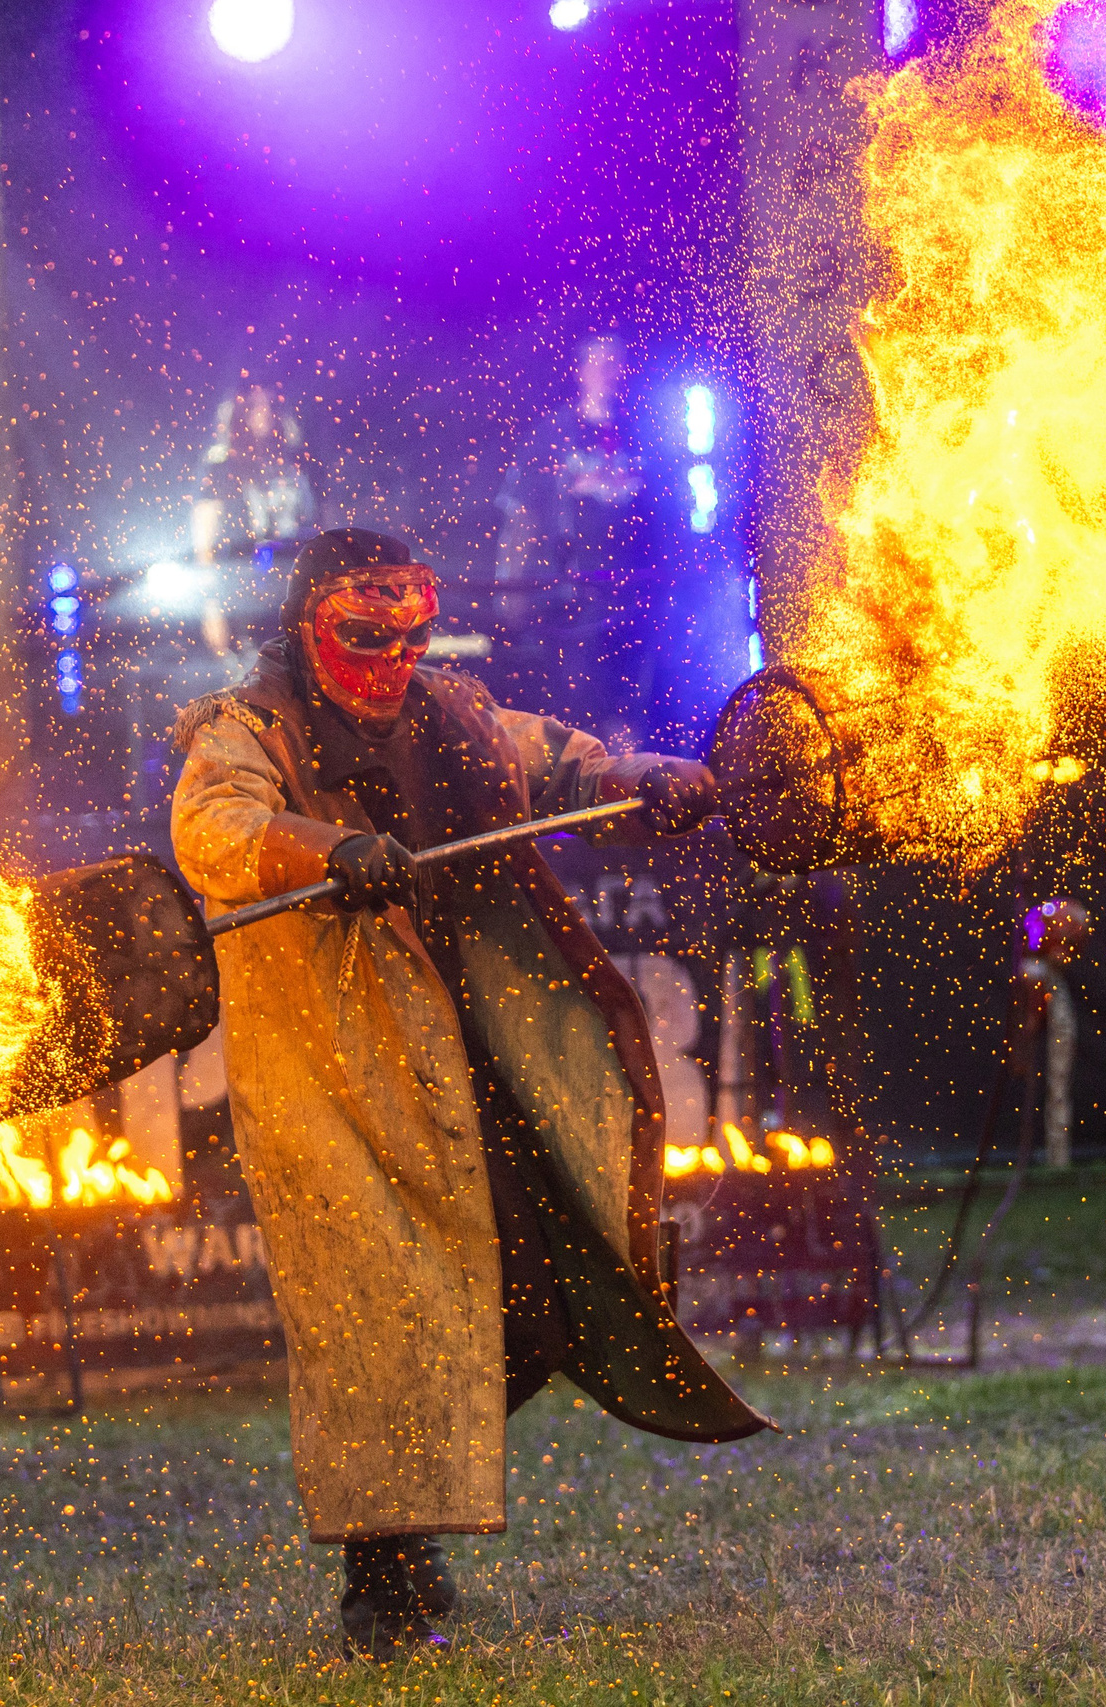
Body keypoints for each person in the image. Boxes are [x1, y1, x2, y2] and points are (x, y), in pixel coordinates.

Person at [168, 527, 768, 1660]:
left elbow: (556, 760)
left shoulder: (451, 712)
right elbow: (215, 830)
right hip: (338, 1082)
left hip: (462, 1060)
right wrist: (327, 850)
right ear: (306, 625)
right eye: (363, 635)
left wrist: (638, 777)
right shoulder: (243, 729)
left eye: (410, 635)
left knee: (526, 1311)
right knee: (382, 1323)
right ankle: (380, 1581)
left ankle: (406, 1526)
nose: (391, 658)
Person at [492, 334, 660, 746]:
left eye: (615, 363)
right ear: (580, 371)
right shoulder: (554, 433)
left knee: (633, 701)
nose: (607, 372)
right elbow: (522, 514)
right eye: (598, 363)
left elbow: (666, 511)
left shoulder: (642, 432)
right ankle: (588, 774)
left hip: (634, 591)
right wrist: (511, 587)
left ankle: (630, 773)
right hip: (572, 596)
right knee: (580, 702)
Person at [191, 382, 323, 654]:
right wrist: (211, 606)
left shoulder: (301, 462)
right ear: (240, 413)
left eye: (270, 405)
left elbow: (327, 527)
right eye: (254, 406)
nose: (264, 413)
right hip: (244, 594)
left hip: (300, 591)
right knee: (254, 666)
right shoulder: (223, 467)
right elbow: (205, 539)